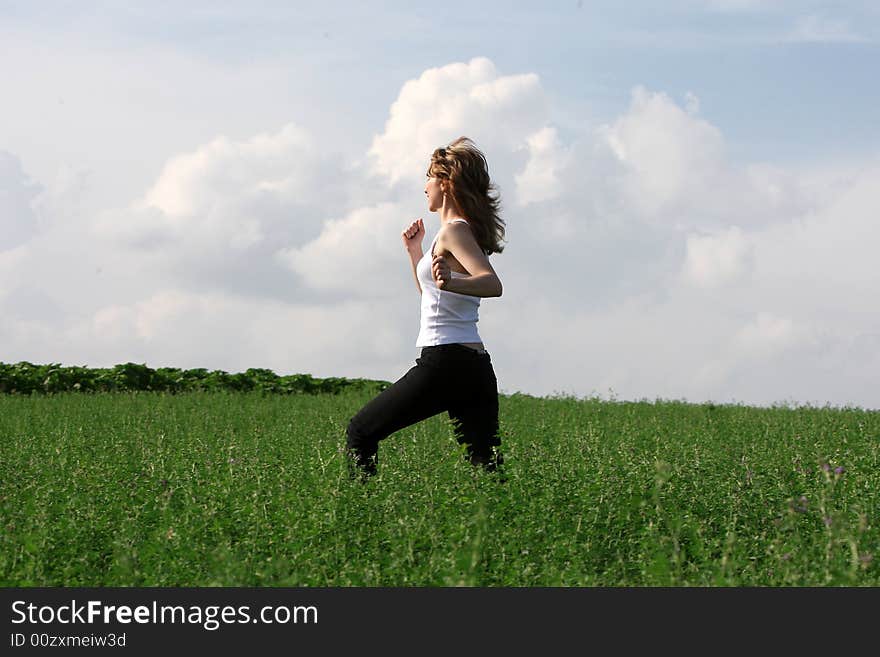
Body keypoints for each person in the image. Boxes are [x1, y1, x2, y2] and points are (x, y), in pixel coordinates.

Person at [345, 136, 506, 479]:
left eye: (430, 178)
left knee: (360, 432)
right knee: (487, 470)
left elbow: (492, 284)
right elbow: (434, 295)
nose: (425, 186)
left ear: (445, 184)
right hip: (472, 367)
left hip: (445, 363)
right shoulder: (449, 234)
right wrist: (414, 252)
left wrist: (454, 281)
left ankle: (360, 517)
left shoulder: (454, 232)